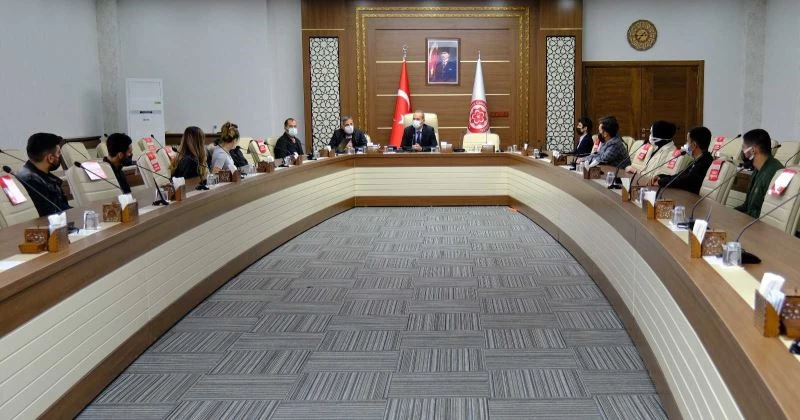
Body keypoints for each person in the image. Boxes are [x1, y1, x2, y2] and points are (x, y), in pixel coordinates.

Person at [15, 133, 71, 216]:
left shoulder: (40, 175)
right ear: (50, 158)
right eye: (59, 153)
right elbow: (51, 215)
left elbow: (61, 207)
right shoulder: (32, 182)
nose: (60, 155)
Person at [734, 129, 784, 218]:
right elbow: (747, 206)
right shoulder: (758, 169)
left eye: (744, 147)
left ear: (753, 150)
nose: (743, 152)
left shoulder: (774, 174)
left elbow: (768, 215)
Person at [652, 126, 714, 194]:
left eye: (688, 141)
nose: (686, 144)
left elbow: (686, 181)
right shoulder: (697, 160)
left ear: (694, 145)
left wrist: (661, 182)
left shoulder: (705, 162)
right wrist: (661, 177)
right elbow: (680, 176)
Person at [629, 120, 681, 185]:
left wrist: (635, 171)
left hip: (652, 188)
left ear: (659, 134)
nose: (650, 136)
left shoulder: (671, 154)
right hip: (638, 183)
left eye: (651, 133)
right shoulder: (653, 147)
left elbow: (654, 178)